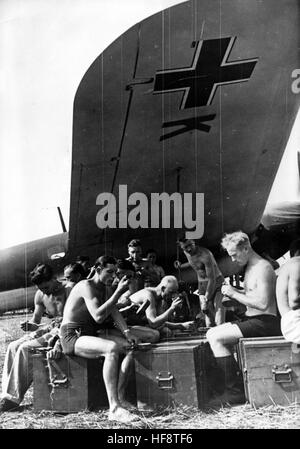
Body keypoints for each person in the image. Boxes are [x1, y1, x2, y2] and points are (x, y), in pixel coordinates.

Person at [59, 255, 154, 423]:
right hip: (72, 335)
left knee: (131, 347)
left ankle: (121, 398)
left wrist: (127, 332)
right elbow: (98, 316)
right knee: (110, 349)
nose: (113, 276)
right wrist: (118, 293)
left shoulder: (105, 287)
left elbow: (113, 311)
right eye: (109, 272)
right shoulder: (85, 286)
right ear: (97, 270)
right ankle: (114, 408)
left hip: (89, 333)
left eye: (114, 272)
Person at [206, 231, 281, 405]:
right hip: (255, 320)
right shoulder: (252, 267)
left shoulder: (263, 268)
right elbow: (252, 296)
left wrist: (233, 293)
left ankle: (235, 393)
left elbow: (263, 304)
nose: (232, 260)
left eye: (234, 255)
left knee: (215, 337)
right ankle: (228, 387)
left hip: (266, 322)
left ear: (246, 248)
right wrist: (235, 294)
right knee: (212, 332)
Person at [0, 263, 68, 412]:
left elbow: (70, 320)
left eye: (46, 287)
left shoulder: (68, 289)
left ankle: (13, 399)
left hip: (64, 329)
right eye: (41, 288)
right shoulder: (40, 294)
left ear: (54, 278)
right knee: (13, 346)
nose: (44, 291)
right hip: (49, 327)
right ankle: (5, 396)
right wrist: (29, 325)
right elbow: (36, 320)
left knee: (25, 349)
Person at [175, 237, 225, 327]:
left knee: (219, 318)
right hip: (202, 284)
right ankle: (210, 338)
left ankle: (221, 334)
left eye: (190, 245)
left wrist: (206, 298)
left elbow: (212, 279)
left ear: (194, 242)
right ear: (182, 248)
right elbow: (194, 262)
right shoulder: (186, 252)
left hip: (216, 283)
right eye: (185, 247)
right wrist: (181, 266)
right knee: (207, 313)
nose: (189, 249)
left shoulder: (205, 255)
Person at [129, 275, 195, 337]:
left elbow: (160, 322)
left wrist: (181, 325)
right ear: (163, 289)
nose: (172, 296)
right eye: (171, 292)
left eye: (174, 293)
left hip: (138, 325)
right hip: (127, 326)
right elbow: (153, 323)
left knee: (172, 331)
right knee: (156, 334)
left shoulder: (159, 297)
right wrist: (172, 308)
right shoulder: (148, 295)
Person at [276, 239, 300, 343]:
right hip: (295, 323)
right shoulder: (297, 264)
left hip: (289, 322)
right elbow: (294, 302)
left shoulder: (283, 268)